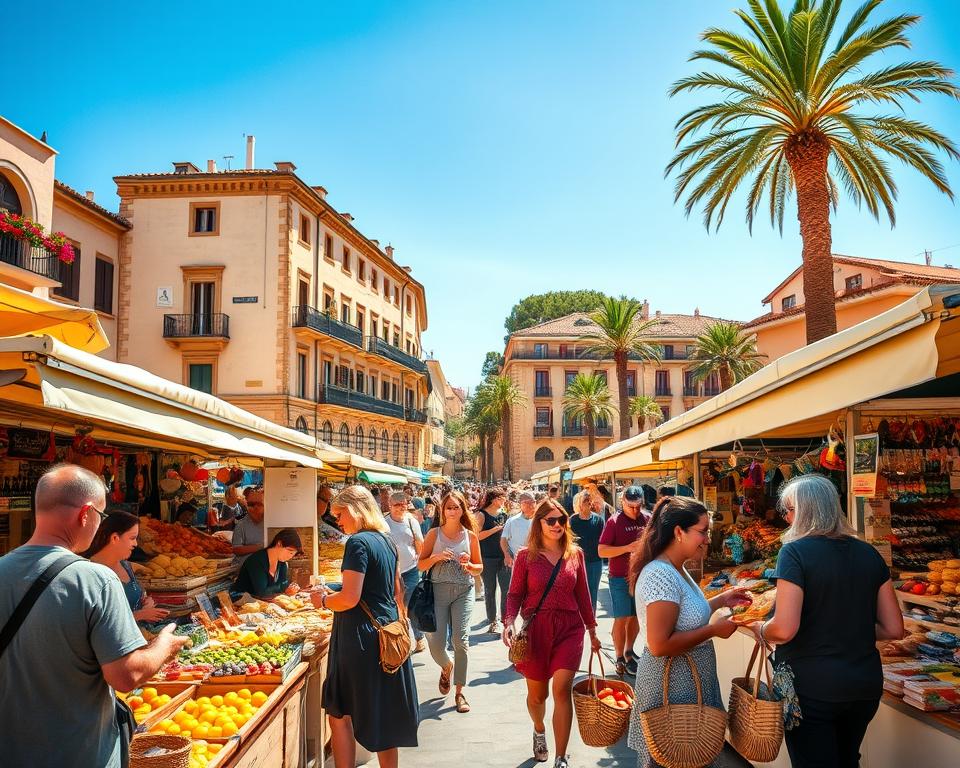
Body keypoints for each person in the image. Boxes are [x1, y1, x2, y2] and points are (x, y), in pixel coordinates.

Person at [0, 464, 189, 768]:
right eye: (101, 516)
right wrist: (163, 646)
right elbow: (126, 676)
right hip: (81, 754)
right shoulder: (97, 580)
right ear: (85, 513)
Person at [751, 475, 904, 768]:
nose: (786, 518)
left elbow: (784, 628)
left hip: (811, 686)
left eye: (788, 510)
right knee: (848, 759)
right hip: (864, 684)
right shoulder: (869, 553)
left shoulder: (794, 552)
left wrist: (759, 628)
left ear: (803, 510)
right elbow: (894, 628)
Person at [626, 496, 751, 768]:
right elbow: (659, 645)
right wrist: (713, 631)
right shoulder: (661, 574)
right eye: (702, 531)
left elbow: (685, 616)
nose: (707, 538)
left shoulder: (675, 568)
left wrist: (721, 600)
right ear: (679, 532)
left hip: (688, 686)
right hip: (671, 690)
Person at [312, 485, 419, 767]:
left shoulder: (357, 543)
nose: (338, 520)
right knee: (385, 719)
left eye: (340, 513)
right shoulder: (386, 541)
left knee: (340, 714)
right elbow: (395, 589)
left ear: (356, 510)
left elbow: (349, 598)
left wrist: (323, 600)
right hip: (387, 634)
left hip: (358, 637)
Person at [503, 499, 599, 768]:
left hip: (570, 629)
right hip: (537, 630)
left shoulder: (575, 554)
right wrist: (509, 621)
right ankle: (539, 729)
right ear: (539, 523)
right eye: (551, 520)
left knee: (561, 689)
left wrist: (592, 630)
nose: (557, 525)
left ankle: (561, 756)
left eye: (561, 520)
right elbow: (514, 594)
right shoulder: (525, 556)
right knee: (538, 696)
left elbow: (583, 596)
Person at [418, 490, 482, 713]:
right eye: (449, 507)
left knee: (460, 640)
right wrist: (436, 557)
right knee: (436, 644)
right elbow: (421, 565)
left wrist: (469, 566)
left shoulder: (470, 536)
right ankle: (447, 666)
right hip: (438, 591)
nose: (453, 511)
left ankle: (460, 692)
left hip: (464, 590)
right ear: (442, 510)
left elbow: (479, 567)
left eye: (457, 507)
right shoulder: (434, 534)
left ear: (463, 509)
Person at [598, 485, 648, 676]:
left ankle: (629, 652)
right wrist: (627, 548)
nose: (635, 511)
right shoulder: (614, 521)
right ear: (622, 503)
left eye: (638, 506)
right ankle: (619, 656)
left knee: (635, 616)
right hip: (619, 577)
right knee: (621, 617)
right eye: (630, 507)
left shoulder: (647, 518)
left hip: (641, 577)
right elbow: (602, 550)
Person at [84, 510, 169, 624]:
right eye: (132, 538)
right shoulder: (89, 571)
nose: (136, 544)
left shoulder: (126, 566)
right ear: (115, 538)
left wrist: (145, 602)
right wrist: (139, 615)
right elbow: (96, 622)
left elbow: (136, 596)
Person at [385, 491, 427, 653]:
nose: (401, 508)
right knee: (396, 605)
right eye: (397, 505)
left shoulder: (411, 521)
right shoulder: (383, 523)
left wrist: (420, 560)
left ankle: (418, 638)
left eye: (404, 504)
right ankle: (399, 638)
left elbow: (419, 542)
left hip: (410, 569)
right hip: (391, 571)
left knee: (411, 605)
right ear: (390, 505)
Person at [474, 488, 509, 633]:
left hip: (503, 556)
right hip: (487, 557)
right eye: (502, 498)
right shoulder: (481, 515)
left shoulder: (504, 514)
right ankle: (492, 620)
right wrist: (494, 530)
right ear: (494, 499)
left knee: (506, 589)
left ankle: (506, 619)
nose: (504, 501)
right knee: (490, 589)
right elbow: (475, 536)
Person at [232, 528, 303, 599]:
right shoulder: (257, 561)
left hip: (261, 602)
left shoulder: (282, 564)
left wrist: (291, 588)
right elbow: (262, 593)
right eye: (290, 552)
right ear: (279, 544)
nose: (290, 556)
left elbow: (283, 584)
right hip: (240, 600)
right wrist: (282, 588)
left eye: (293, 554)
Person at [569, 490, 604, 612]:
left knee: (592, 591)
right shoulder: (573, 520)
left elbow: (603, 539)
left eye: (589, 500)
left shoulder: (598, 520)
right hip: (576, 561)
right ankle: (577, 618)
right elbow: (568, 540)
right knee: (576, 591)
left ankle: (591, 619)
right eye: (585, 500)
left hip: (594, 561)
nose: (588, 502)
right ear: (579, 503)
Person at [501, 491, 536, 567]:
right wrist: (507, 555)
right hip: (517, 562)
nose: (530, 505)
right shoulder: (512, 521)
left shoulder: (541, 520)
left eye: (532, 502)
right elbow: (503, 540)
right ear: (520, 504)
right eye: (526, 502)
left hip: (536, 561)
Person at [232, 488, 265, 564]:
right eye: (251, 504)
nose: (255, 507)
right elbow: (236, 549)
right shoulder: (241, 525)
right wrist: (261, 547)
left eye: (259, 504)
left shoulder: (270, 523)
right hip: (244, 568)